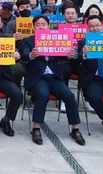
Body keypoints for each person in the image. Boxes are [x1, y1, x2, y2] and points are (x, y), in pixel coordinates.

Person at [22, 15, 84, 146]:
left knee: (69, 96)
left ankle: (75, 129)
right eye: (37, 25)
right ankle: (36, 128)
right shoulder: (28, 40)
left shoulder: (56, 39)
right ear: (33, 27)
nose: (41, 27)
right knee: (43, 95)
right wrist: (31, 55)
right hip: (38, 78)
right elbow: (24, 55)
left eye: (43, 24)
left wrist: (70, 54)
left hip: (54, 77)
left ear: (48, 26)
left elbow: (65, 54)